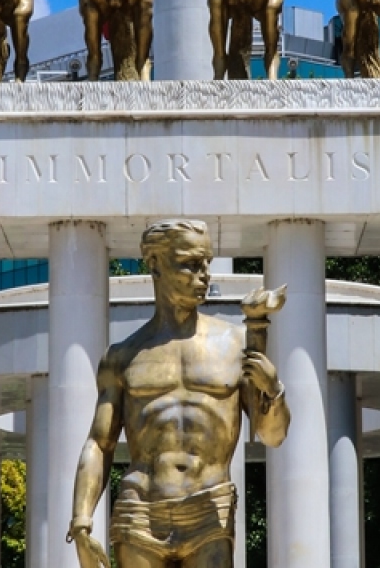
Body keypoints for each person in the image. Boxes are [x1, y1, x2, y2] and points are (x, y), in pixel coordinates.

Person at [67, 219, 290, 568]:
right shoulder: (122, 356)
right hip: (139, 511)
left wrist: (273, 390)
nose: (204, 275)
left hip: (209, 510)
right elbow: (99, 443)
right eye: (190, 264)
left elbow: (272, 435)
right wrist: (81, 521)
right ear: (155, 264)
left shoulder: (234, 344)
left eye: (207, 263)